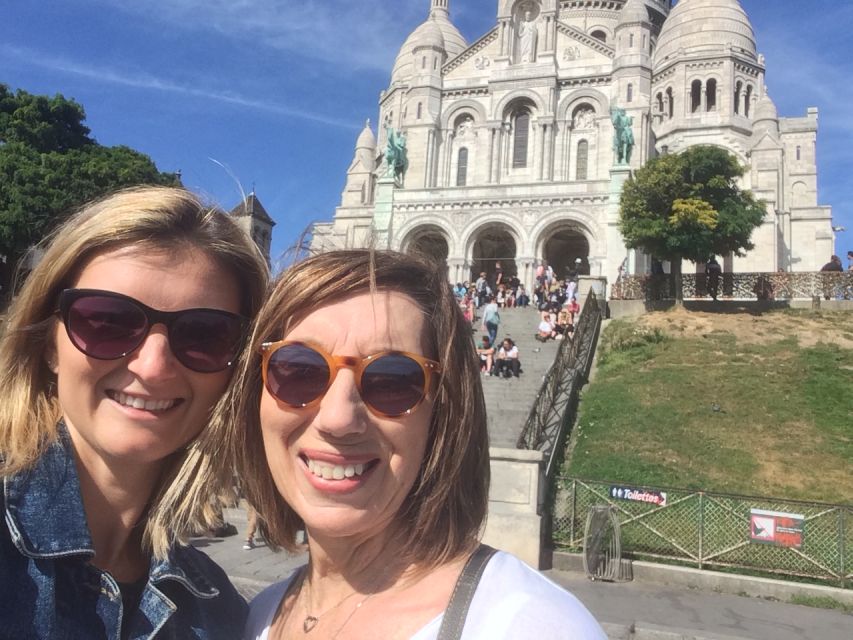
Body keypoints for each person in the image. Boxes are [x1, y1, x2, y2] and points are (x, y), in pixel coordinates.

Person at [231, 249, 606, 640]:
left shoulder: (532, 627)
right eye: (299, 370)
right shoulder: (259, 614)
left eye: (392, 380)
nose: (338, 419)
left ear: (444, 412)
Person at [0, 186, 268, 638]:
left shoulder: (217, 611)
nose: (154, 367)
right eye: (107, 320)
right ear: (49, 344)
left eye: (204, 334)